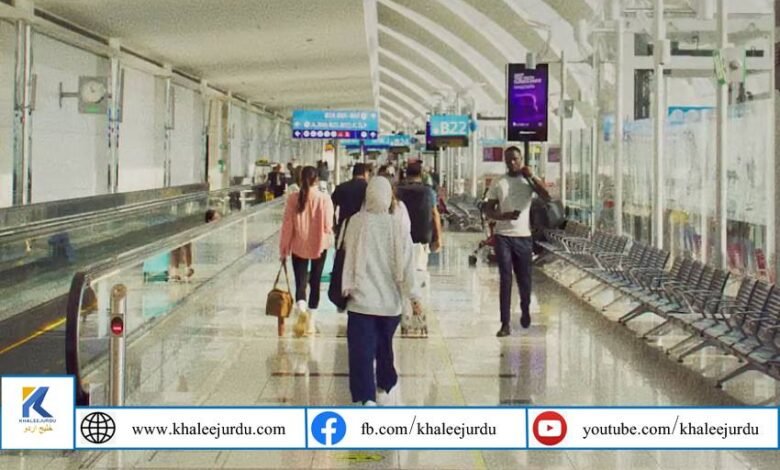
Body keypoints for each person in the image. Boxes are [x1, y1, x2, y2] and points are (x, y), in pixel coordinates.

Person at [342, 177, 422, 406]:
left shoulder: (355, 222)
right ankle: (385, 383)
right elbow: (408, 266)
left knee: (361, 352)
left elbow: (346, 253)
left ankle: (365, 397)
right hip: (390, 305)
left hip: (360, 302)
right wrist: (414, 297)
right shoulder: (398, 226)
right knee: (383, 346)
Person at [484, 146, 549, 337]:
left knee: (524, 279)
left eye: (515, 159)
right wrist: (503, 216)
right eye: (509, 160)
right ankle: (505, 323)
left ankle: (525, 308)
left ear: (521, 160)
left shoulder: (528, 181)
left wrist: (532, 176)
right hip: (503, 236)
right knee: (505, 278)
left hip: (523, 237)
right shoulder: (499, 182)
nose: (512, 163)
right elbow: (488, 209)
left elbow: (546, 196)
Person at [279, 166, 334, 337]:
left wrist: (284, 250)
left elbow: (287, 226)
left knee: (300, 282)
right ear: (316, 180)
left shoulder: (293, 199)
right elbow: (328, 225)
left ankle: (301, 311)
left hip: (298, 245)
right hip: (319, 245)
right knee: (315, 283)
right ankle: (311, 323)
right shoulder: (324, 198)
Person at [396, 161, 443, 275]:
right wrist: (438, 238)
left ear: (406, 174)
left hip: (401, 236)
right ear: (421, 174)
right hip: (422, 237)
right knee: (420, 270)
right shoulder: (428, 192)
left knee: (401, 270)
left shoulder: (397, 191)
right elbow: (435, 214)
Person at [331, 163, 368, 230]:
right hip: (363, 228)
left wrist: (334, 223)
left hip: (344, 226)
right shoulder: (368, 189)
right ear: (365, 173)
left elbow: (332, 206)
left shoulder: (341, 187)